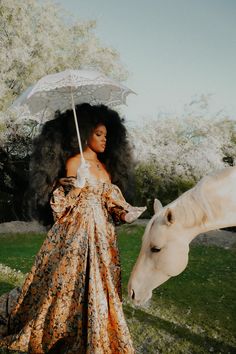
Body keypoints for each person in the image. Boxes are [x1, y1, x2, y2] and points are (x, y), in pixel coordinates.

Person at [0, 103, 146, 353]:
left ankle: (98, 326)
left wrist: (127, 212)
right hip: (75, 236)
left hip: (102, 238)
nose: (104, 140)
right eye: (98, 134)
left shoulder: (104, 167)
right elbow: (60, 209)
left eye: (106, 135)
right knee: (69, 283)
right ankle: (64, 328)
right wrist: (77, 186)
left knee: (100, 284)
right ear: (84, 134)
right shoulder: (75, 162)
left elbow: (112, 203)